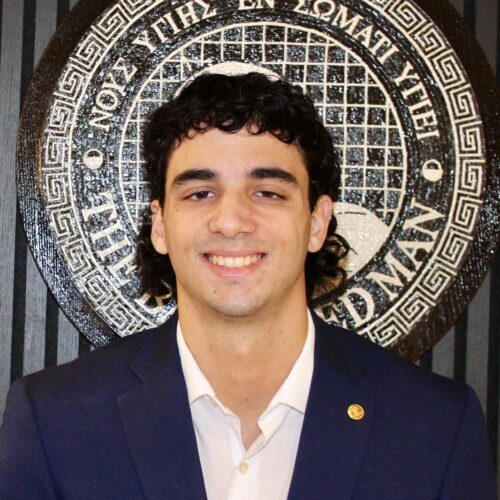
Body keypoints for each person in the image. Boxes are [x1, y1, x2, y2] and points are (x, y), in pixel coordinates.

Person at [0, 72, 496, 499]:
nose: (232, 221)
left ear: (317, 222)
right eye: (200, 192)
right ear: (161, 225)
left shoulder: (435, 427)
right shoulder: (53, 424)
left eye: (268, 192)